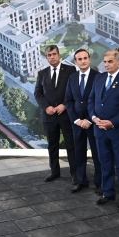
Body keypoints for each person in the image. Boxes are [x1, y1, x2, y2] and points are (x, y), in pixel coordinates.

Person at [88, 50, 119, 208]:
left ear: (118, 62)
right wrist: (94, 118)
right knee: (105, 163)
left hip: (118, 130)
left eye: (109, 61)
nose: (106, 64)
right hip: (99, 130)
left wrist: (113, 122)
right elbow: (91, 101)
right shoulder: (99, 77)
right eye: (104, 61)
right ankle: (107, 193)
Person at [34, 45, 75, 182]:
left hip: (66, 115)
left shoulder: (70, 70)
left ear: (59, 55)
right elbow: (38, 94)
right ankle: (54, 172)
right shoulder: (42, 74)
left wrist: (65, 104)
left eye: (54, 54)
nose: (51, 57)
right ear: (47, 58)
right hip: (49, 116)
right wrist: (46, 107)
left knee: (71, 145)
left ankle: (75, 174)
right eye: (49, 55)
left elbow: (74, 91)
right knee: (52, 145)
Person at [64, 48, 100, 193]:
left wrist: (91, 120)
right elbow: (68, 101)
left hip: (93, 122)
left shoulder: (98, 77)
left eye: (85, 58)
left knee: (98, 154)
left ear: (89, 59)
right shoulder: (72, 78)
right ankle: (81, 181)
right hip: (78, 123)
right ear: (75, 62)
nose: (83, 61)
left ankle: (100, 183)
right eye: (80, 59)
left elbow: (100, 101)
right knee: (79, 153)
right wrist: (77, 120)